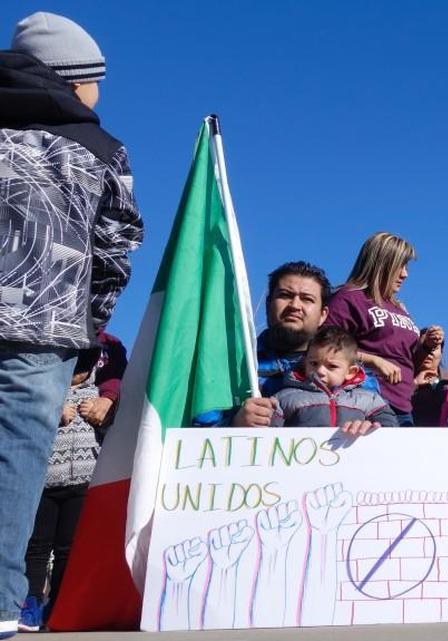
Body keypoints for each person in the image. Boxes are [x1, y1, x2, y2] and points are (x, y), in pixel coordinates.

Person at [1, 13, 143, 637]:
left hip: (42, 322)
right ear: (74, 79)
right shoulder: (99, 147)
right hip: (42, 327)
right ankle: (5, 603)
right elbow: (115, 247)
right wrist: (89, 328)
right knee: (15, 460)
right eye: (96, 82)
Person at [201, 261, 377, 426]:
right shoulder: (230, 368)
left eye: (307, 299)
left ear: (323, 315)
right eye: (285, 295)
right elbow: (194, 429)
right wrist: (233, 424)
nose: (295, 305)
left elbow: (384, 426)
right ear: (268, 304)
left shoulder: (356, 377)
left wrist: (367, 428)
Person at [20, 348, 105, 631]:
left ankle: (59, 607)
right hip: (42, 482)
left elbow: (109, 430)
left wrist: (103, 411)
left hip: (82, 482)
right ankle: (30, 604)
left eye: (83, 369)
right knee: (36, 546)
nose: (77, 375)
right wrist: (53, 411)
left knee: (69, 548)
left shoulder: (97, 398)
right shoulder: (47, 393)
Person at [324, 233, 443, 426]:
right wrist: (372, 360)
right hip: (364, 406)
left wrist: (426, 345)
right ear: (380, 264)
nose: (405, 274)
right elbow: (324, 349)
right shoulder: (348, 298)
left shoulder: (399, 307)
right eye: (400, 266)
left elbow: (404, 359)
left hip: (403, 407)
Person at [269, 327, 397, 434]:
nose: (320, 371)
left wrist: (372, 427)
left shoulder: (369, 399)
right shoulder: (286, 397)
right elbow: (268, 432)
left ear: (350, 372)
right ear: (305, 363)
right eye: (314, 363)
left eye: (332, 366)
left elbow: (389, 424)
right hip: (303, 460)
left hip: (353, 460)